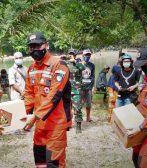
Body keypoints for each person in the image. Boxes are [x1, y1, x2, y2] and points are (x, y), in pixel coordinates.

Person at [23, 32, 72, 167]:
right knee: (40, 162)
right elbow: (28, 93)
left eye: (38, 45)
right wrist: (25, 115)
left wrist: (36, 115)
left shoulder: (59, 65)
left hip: (56, 125)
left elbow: (54, 95)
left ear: (47, 45)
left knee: (53, 164)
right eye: (32, 47)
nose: (35, 49)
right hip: (39, 126)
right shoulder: (31, 68)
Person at [61, 49, 85, 133]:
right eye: (69, 54)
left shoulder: (78, 63)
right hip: (66, 90)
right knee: (65, 108)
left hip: (76, 90)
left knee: (77, 108)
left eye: (72, 54)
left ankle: (78, 125)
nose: (71, 55)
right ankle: (67, 124)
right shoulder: (66, 63)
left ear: (75, 55)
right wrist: (62, 59)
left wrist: (74, 61)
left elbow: (83, 67)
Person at [80, 49, 95, 122]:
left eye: (89, 55)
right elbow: (76, 76)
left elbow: (93, 76)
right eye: (86, 55)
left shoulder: (92, 65)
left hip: (89, 88)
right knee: (79, 104)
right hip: (81, 88)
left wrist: (93, 87)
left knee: (88, 104)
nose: (87, 56)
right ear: (83, 55)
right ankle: (78, 117)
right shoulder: (79, 64)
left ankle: (88, 117)